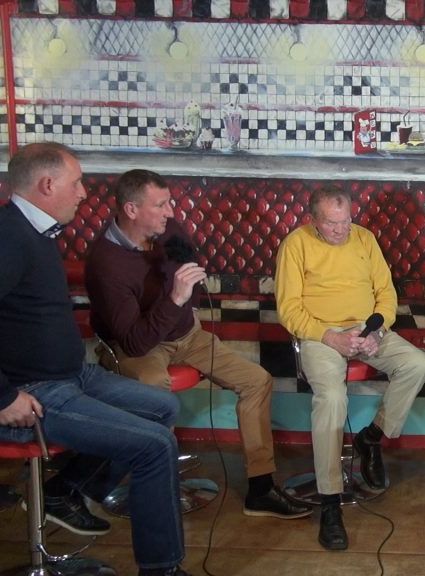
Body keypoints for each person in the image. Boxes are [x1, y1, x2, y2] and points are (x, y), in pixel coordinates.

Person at [0, 143, 190, 576]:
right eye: (75, 183)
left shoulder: (32, 232)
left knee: (162, 406)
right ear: (47, 185)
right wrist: (0, 396)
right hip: (29, 391)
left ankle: (67, 489)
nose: (82, 193)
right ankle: (161, 569)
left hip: (70, 375)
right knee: (155, 446)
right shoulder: (4, 239)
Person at [84, 169, 311, 521]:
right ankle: (155, 488)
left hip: (188, 334)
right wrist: (174, 299)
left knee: (257, 380)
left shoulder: (169, 230)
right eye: (160, 205)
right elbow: (134, 341)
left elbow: (189, 268)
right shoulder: (106, 262)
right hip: (140, 346)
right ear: (131, 210)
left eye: (169, 202)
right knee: (153, 390)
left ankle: (261, 488)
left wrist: (186, 303)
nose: (170, 211)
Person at [275, 186, 425, 551]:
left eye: (346, 220)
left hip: (367, 329)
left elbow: (386, 294)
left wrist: (377, 329)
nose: (342, 230)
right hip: (320, 335)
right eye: (333, 224)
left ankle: (371, 437)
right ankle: (331, 501)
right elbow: (289, 310)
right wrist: (330, 337)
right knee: (332, 397)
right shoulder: (295, 244)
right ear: (313, 220)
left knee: (417, 364)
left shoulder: (364, 238)